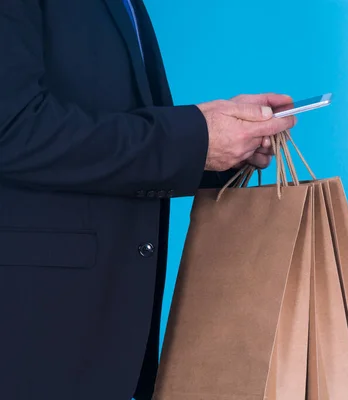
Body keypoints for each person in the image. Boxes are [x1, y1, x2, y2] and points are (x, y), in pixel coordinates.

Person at [0, 1, 297, 399]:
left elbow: (127, 135)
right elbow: (12, 128)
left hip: (113, 332)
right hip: (38, 332)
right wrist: (195, 139)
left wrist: (222, 143)